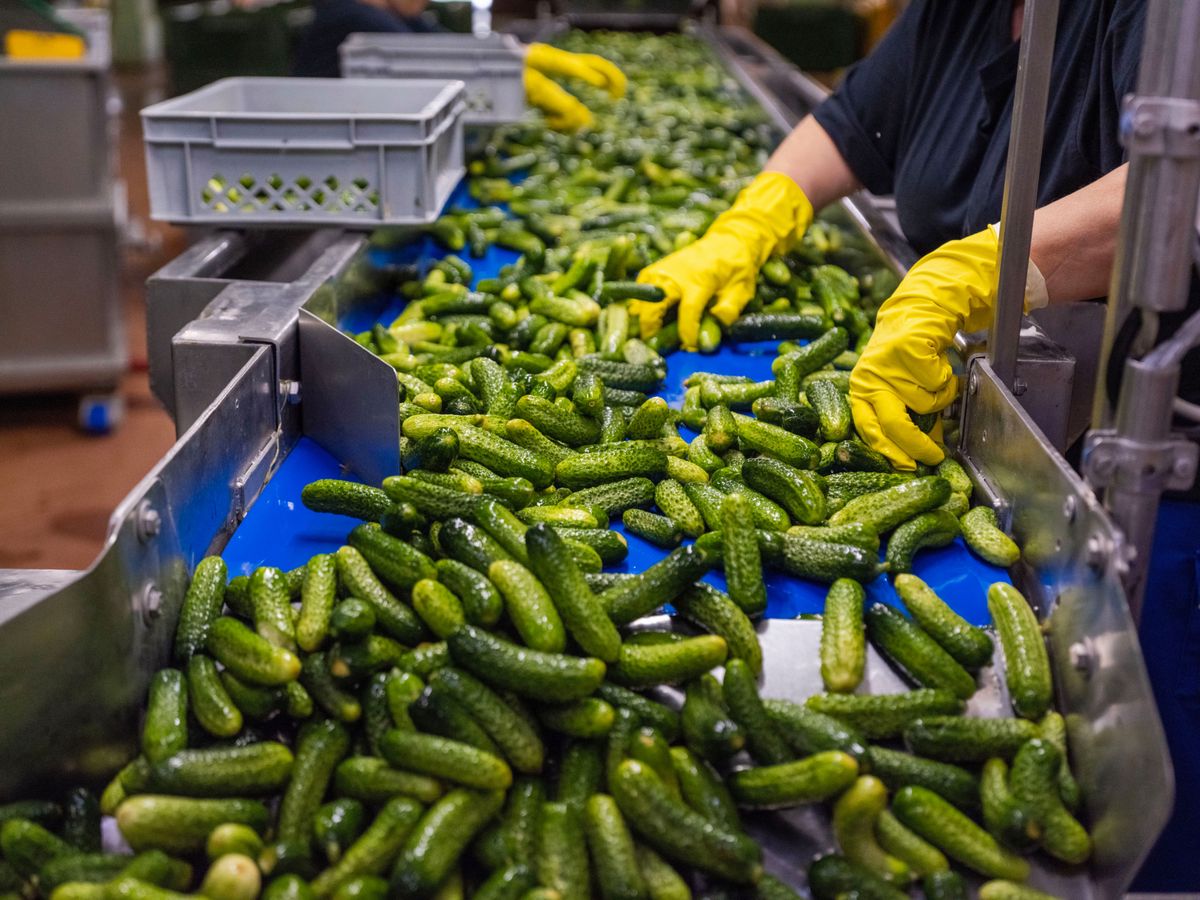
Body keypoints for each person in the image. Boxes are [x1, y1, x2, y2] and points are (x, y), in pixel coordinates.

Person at [632, 0, 1150, 471]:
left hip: (1126, 430)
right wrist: (753, 222)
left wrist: (979, 273)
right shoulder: (955, 11)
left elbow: (1173, 191)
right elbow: (849, 123)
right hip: (952, 376)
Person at [292, 0, 625, 130]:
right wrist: (527, 82)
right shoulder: (351, 15)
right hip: (319, 139)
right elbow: (427, 61)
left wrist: (532, 55)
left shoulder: (393, 14)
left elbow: (456, 48)